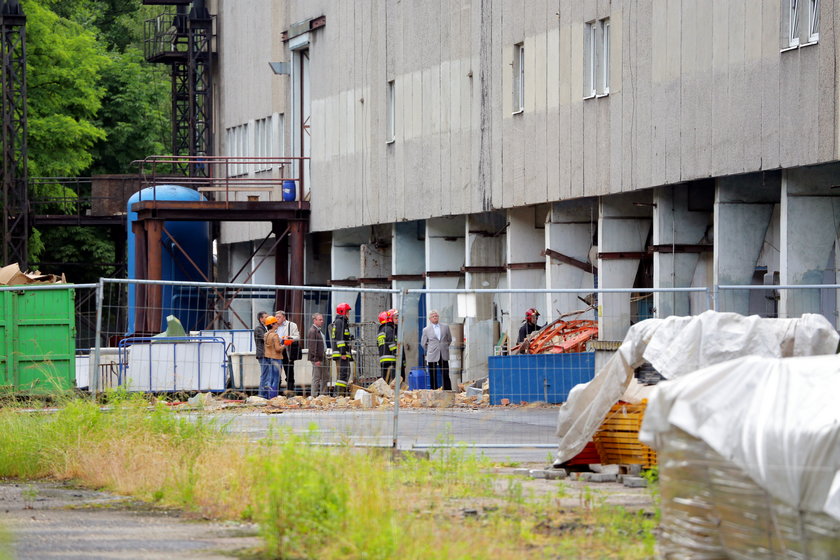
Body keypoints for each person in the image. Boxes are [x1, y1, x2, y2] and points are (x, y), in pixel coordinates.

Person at [420, 310, 452, 391]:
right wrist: (430, 349)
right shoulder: (426, 330)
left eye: (436, 316)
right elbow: (423, 343)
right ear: (430, 319)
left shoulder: (445, 327)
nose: (435, 318)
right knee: (433, 374)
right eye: (433, 316)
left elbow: (449, 339)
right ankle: (434, 390)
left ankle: (447, 390)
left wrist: (444, 346)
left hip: (443, 353)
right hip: (432, 354)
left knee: (445, 373)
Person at [275, 310, 301, 396]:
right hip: (277, 351)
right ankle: (277, 393)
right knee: (277, 373)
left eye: (279, 317)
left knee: (289, 373)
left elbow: (297, 337)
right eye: (276, 317)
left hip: (287, 351)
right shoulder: (274, 325)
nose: (277, 319)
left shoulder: (292, 325)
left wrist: (288, 338)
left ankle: (290, 393)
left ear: (284, 317)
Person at [330, 302, 353, 396]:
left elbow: (343, 336)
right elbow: (340, 339)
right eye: (348, 311)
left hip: (342, 352)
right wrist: (343, 352)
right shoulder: (340, 322)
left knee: (345, 373)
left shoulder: (341, 322)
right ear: (343, 312)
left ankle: (341, 393)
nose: (349, 314)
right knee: (343, 374)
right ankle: (339, 394)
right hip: (341, 353)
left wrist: (350, 337)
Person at [306, 312, 329, 397]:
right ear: (314, 320)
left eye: (322, 319)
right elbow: (312, 347)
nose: (322, 321)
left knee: (325, 376)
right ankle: (314, 396)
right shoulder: (313, 331)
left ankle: (323, 395)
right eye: (320, 320)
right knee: (316, 377)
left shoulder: (318, 330)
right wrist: (316, 359)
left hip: (322, 356)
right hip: (317, 358)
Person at [262, 315, 282, 398]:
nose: (277, 324)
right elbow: (278, 349)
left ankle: (268, 396)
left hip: (268, 358)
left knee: (270, 378)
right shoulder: (275, 335)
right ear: (272, 325)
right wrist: (285, 344)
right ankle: (273, 396)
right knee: (276, 379)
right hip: (276, 358)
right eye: (276, 323)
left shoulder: (266, 334)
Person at [253, 311, 271, 398]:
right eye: (266, 317)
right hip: (263, 355)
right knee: (264, 375)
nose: (268, 318)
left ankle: (266, 394)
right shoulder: (259, 329)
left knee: (268, 375)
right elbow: (266, 338)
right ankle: (262, 395)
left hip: (268, 354)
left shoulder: (266, 328)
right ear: (261, 319)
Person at [377, 309, 397, 383]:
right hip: (390, 358)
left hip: (383, 358)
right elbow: (391, 343)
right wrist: (396, 353)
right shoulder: (388, 329)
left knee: (385, 378)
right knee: (393, 380)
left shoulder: (381, 330)